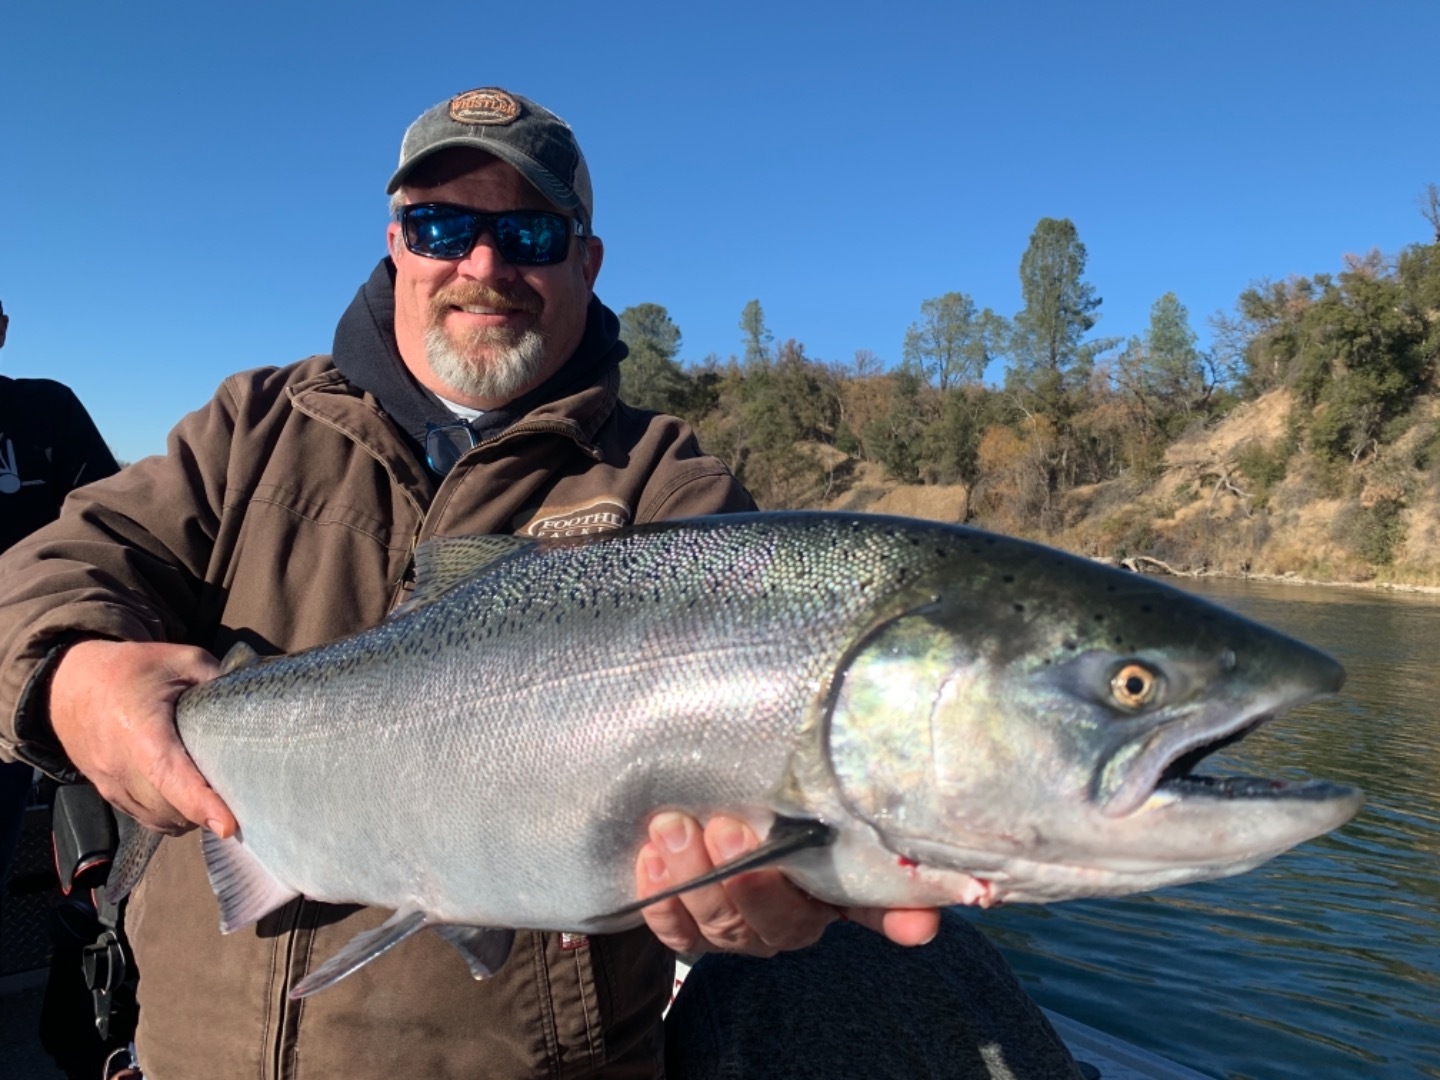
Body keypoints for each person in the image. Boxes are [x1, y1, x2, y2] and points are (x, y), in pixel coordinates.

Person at [0, 89, 1079, 1079]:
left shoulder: (667, 483)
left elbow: (764, 759)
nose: (481, 264)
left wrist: (777, 881)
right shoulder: (250, 427)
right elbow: (53, 567)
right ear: (394, 246)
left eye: (526, 233)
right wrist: (75, 679)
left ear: (586, 261)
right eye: (440, 227)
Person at [0, 295, 121, 928]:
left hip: (43, 668)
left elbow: (110, 523)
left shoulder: (44, 408)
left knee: (94, 863)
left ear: (2, 329)